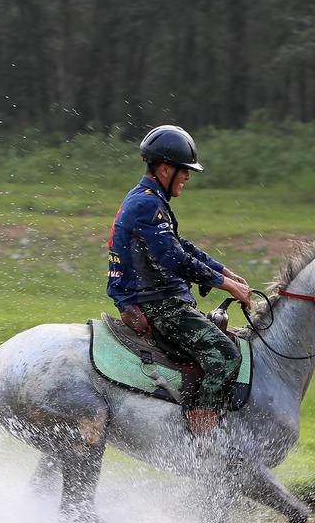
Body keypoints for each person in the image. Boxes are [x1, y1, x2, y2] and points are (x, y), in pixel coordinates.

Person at [106, 125, 252, 435]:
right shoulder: (147, 205)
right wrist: (226, 285)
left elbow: (178, 245)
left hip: (159, 298)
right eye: (184, 172)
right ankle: (202, 431)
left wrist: (223, 271)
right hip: (160, 305)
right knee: (226, 356)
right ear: (164, 168)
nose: (187, 178)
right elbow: (173, 259)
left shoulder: (148, 199)